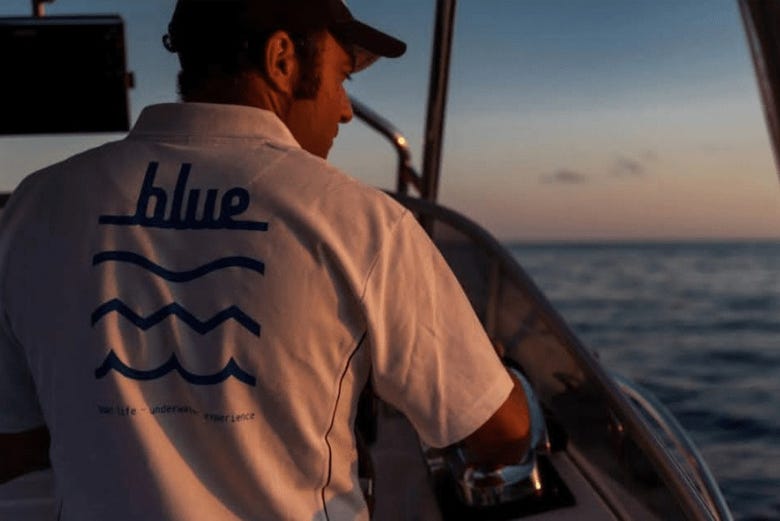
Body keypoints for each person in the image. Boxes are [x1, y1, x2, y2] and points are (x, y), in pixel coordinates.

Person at [0, 0, 530, 519]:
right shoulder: (361, 222)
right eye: (343, 77)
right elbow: (496, 432)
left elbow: (14, 445)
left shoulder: (34, 207)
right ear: (281, 60)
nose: (345, 108)